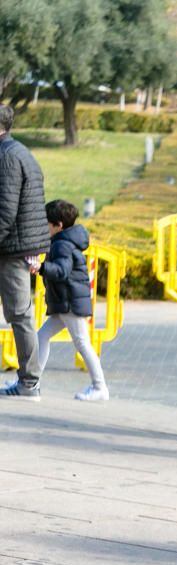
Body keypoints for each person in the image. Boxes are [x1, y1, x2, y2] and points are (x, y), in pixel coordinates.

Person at [30, 200, 108, 400]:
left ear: (58, 225)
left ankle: (100, 387)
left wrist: (41, 268)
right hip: (67, 302)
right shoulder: (64, 241)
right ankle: (31, 381)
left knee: (82, 343)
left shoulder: (62, 244)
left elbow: (62, 271)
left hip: (70, 302)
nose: (44, 226)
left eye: (46, 223)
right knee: (42, 337)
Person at [0, 104, 48, 401]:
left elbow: (5, 210)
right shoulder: (18, 152)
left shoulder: (6, 157)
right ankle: (29, 381)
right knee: (20, 314)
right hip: (17, 246)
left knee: (20, 315)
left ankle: (29, 383)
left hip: (11, 249)